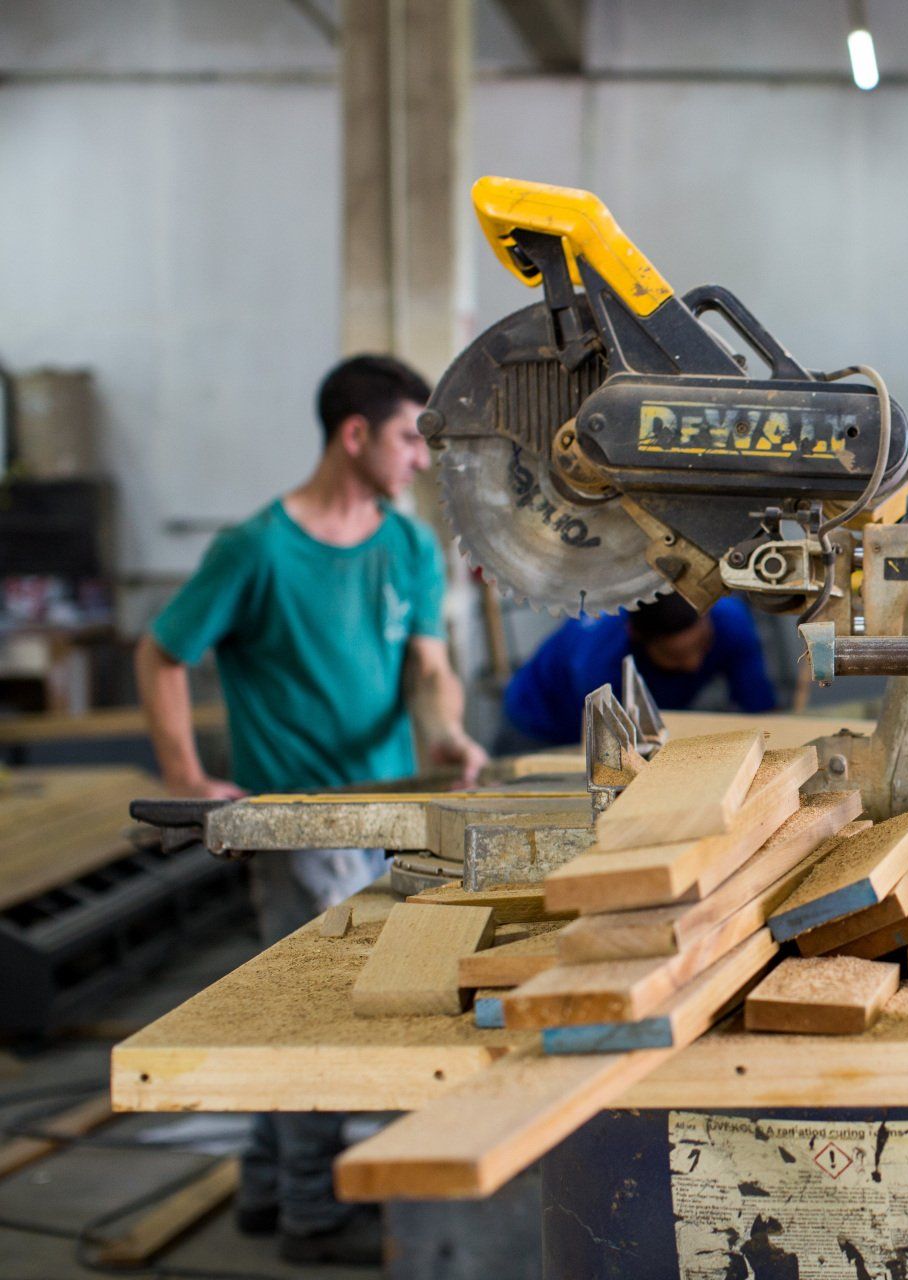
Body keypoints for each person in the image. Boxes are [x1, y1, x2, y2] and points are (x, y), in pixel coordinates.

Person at [136, 354, 488, 1266]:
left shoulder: (407, 543)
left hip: (390, 818)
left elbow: (430, 667)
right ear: (355, 434)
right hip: (297, 825)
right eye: (411, 437)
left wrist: (445, 736)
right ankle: (311, 1215)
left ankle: (264, 1190)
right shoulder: (255, 549)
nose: (421, 458)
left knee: (309, 1007)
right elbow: (161, 654)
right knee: (321, 1016)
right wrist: (189, 774)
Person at [503, 592, 778, 745]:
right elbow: (607, 752)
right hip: (541, 722)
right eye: (675, 656)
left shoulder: (730, 619)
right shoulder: (601, 660)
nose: (694, 664)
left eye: (702, 646)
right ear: (637, 637)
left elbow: (759, 709)